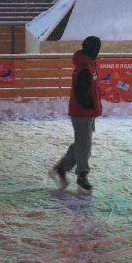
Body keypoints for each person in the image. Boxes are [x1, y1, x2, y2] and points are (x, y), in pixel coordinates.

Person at [51, 36, 102, 191]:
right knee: (84, 145)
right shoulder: (85, 68)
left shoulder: (89, 65)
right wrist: (89, 105)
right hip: (82, 112)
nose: (97, 51)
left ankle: (61, 168)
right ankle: (82, 175)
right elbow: (81, 93)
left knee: (81, 143)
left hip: (87, 112)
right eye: (95, 48)